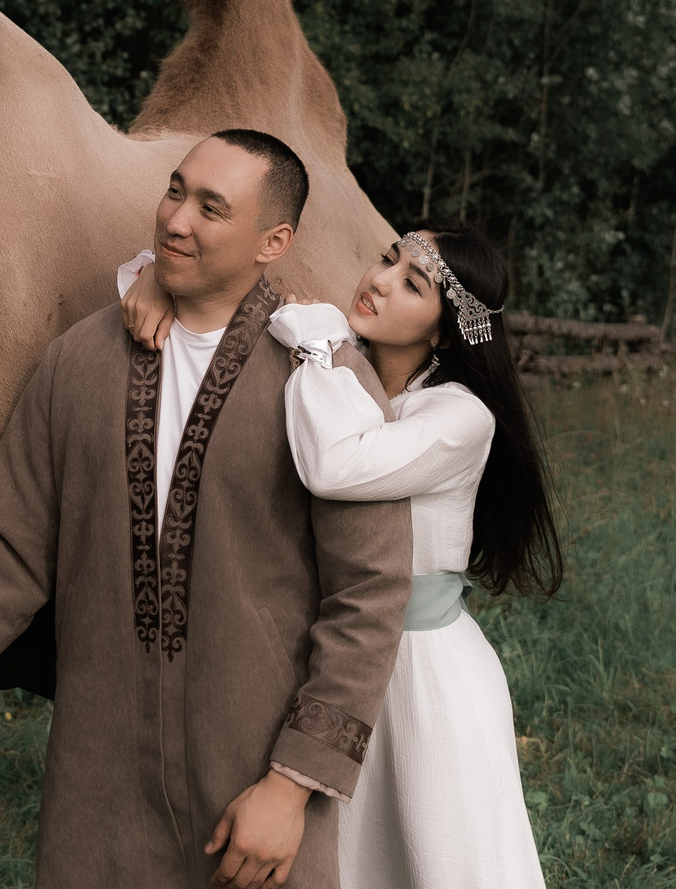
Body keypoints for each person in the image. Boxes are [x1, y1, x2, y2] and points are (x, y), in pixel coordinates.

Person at [0, 130, 412, 889]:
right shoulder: (76, 362)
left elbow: (368, 595)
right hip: (97, 779)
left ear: (275, 240)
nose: (176, 219)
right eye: (175, 189)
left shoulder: (323, 382)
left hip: (253, 776)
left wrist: (292, 784)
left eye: (211, 207)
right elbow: (10, 555)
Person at [121, 218, 561, 889]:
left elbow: (336, 462)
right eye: (387, 260)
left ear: (443, 331)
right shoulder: (336, 359)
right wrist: (156, 281)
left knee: (438, 857)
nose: (379, 282)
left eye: (412, 283)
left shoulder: (460, 416)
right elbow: (214, 297)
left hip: (421, 670)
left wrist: (321, 338)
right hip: (331, 654)